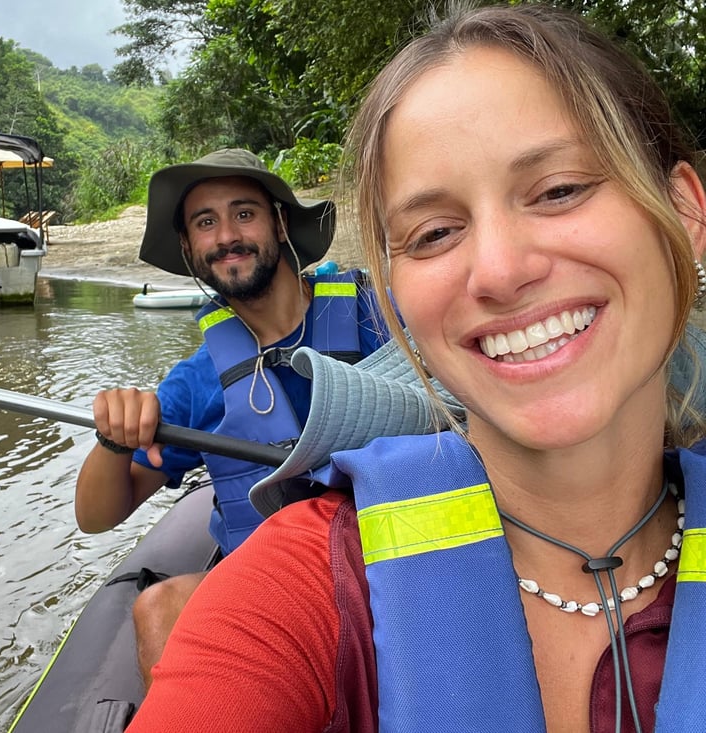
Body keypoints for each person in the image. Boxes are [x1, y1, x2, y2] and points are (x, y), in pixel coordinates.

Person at [126, 4, 706, 732]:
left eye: (560, 189)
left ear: (686, 214)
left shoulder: (360, 307)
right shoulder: (299, 577)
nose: (498, 271)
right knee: (162, 606)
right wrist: (125, 430)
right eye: (435, 233)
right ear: (407, 301)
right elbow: (101, 507)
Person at [74, 148, 390, 689]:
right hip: (274, 580)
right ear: (188, 247)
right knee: (158, 608)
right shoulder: (196, 383)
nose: (226, 236)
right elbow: (98, 516)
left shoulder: (377, 311)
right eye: (205, 222)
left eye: (244, 213)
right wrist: (113, 439)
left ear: (280, 222)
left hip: (390, 558)